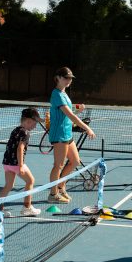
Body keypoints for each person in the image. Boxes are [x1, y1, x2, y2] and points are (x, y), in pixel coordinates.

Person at [48, 67, 96, 203]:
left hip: (67, 133)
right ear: (58, 78)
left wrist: (79, 111)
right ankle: (53, 195)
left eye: (70, 78)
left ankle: (61, 186)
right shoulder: (56, 94)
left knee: (75, 161)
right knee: (58, 165)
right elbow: (70, 115)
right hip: (59, 135)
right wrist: (87, 128)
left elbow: (68, 116)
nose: (69, 80)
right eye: (66, 78)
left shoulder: (64, 93)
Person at [0, 108, 42, 217]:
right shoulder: (26, 133)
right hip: (16, 164)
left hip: (6, 163)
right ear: (28, 121)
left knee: (8, 186)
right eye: (34, 123)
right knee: (30, 181)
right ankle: (27, 208)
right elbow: (20, 149)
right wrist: (21, 165)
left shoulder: (15, 130)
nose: (35, 126)